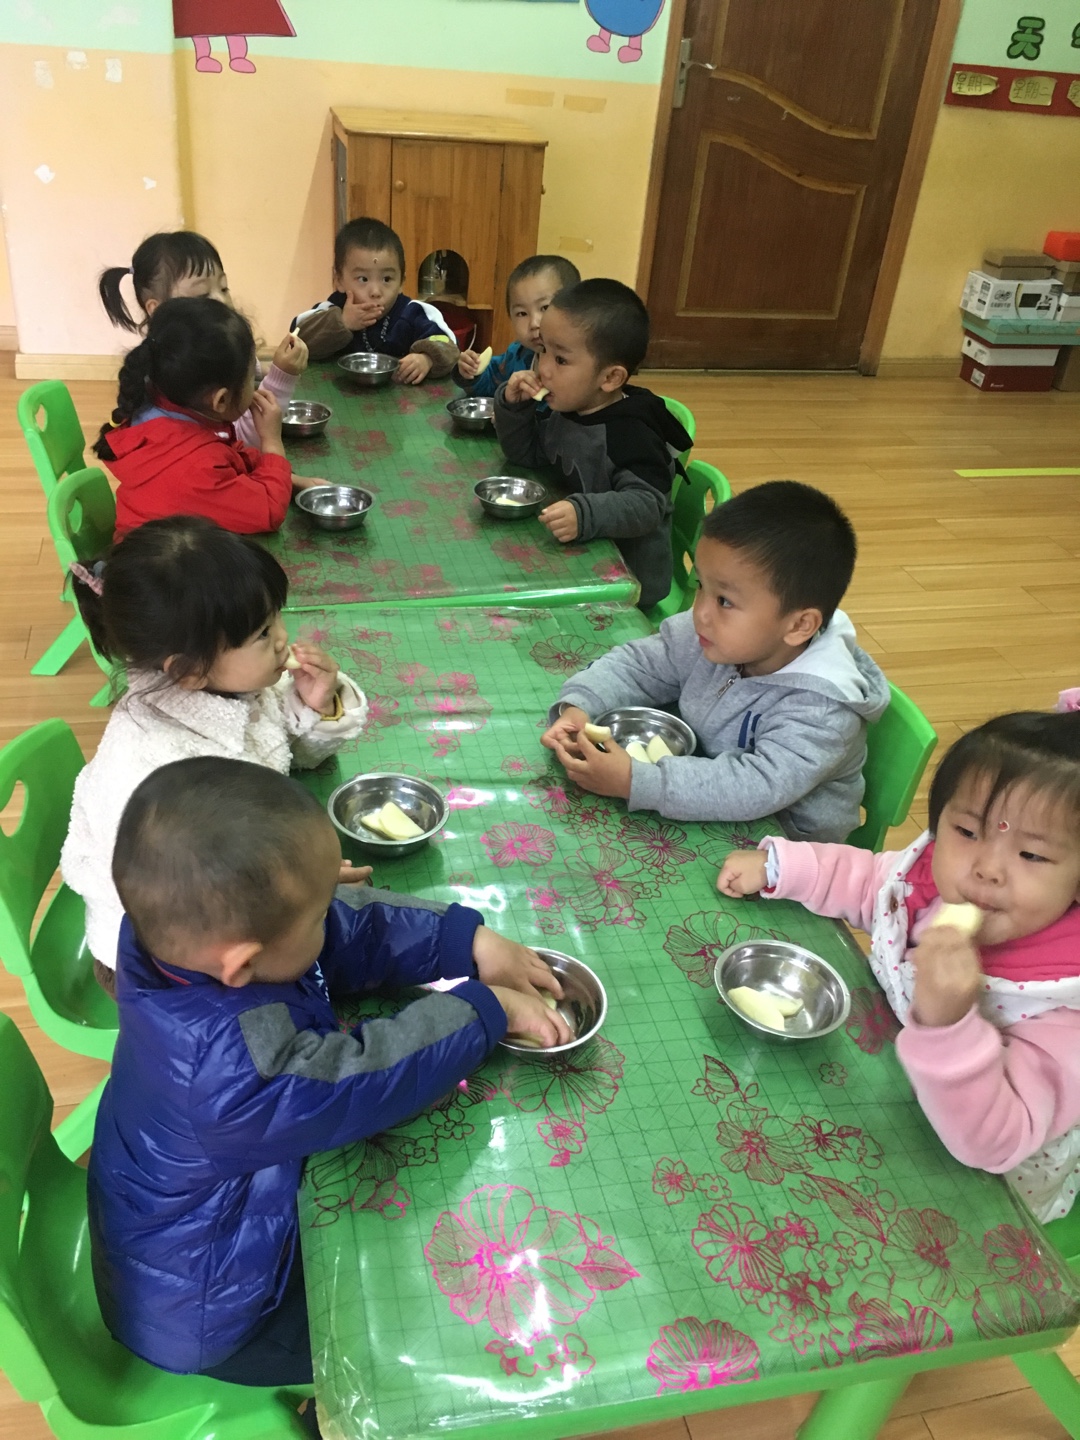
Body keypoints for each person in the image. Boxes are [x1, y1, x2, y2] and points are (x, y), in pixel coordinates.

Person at [87, 757, 569, 1410]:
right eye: (315, 915)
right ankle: (332, 1415)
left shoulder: (183, 940)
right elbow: (356, 1081)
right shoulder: (226, 1071)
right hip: (211, 1312)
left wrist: (465, 940)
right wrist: (486, 1009)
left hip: (188, 1236)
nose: (329, 918)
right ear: (242, 964)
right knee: (406, 1321)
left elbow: (341, 929)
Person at [717, 709, 1080, 1223]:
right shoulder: (928, 883)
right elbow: (871, 883)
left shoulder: (1061, 1006)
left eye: (1032, 856)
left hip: (976, 1191)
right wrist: (784, 868)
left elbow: (996, 1142)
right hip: (884, 1093)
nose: (986, 868)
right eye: (967, 831)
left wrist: (949, 1024)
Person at [60, 516, 367, 994]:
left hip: (229, 899)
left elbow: (286, 754)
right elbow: (197, 908)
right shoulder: (154, 769)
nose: (282, 639)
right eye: (262, 633)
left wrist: (315, 707)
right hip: (162, 964)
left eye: (276, 616)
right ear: (187, 670)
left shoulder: (228, 687)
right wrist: (302, 886)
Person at [542, 481, 889, 839]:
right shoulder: (718, 636)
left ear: (799, 625)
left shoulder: (822, 712)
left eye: (724, 600)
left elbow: (754, 786)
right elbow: (641, 664)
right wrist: (581, 705)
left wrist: (635, 781)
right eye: (701, 586)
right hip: (702, 800)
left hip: (783, 848)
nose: (701, 613)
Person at [492, 278, 691, 610]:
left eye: (561, 360)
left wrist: (584, 514)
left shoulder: (631, 433)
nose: (543, 368)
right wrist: (514, 407)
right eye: (543, 351)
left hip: (627, 586)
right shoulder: (570, 407)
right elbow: (528, 455)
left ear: (610, 378)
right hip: (578, 559)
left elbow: (647, 505)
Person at [94, 297, 319, 537]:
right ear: (221, 400)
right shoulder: (197, 468)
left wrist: (291, 480)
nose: (254, 385)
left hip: (156, 551)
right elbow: (269, 511)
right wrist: (272, 442)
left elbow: (231, 458)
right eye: (250, 378)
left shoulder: (160, 403)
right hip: (162, 560)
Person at [98, 229, 307, 450]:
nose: (221, 300)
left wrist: (254, 368)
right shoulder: (184, 374)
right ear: (156, 308)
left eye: (224, 287)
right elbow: (243, 441)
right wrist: (281, 378)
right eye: (202, 295)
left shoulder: (182, 351)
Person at [293, 217, 459, 383]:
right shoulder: (332, 309)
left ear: (401, 282)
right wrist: (342, 322)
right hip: (336, 392)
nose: (375, 292)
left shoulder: (412, 312)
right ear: (339, 280)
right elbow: (296, 339)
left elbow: (448, 345)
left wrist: (427, 358)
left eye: (387, 279)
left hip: (400, 396)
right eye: (363, 279)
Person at [453, 254, 580, 398]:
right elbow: (491, 383)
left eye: (545, 308)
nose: (534, 323)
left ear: (575, 309)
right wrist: (472, 371)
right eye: (522, 313)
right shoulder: (517, 355)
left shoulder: (581, 367)